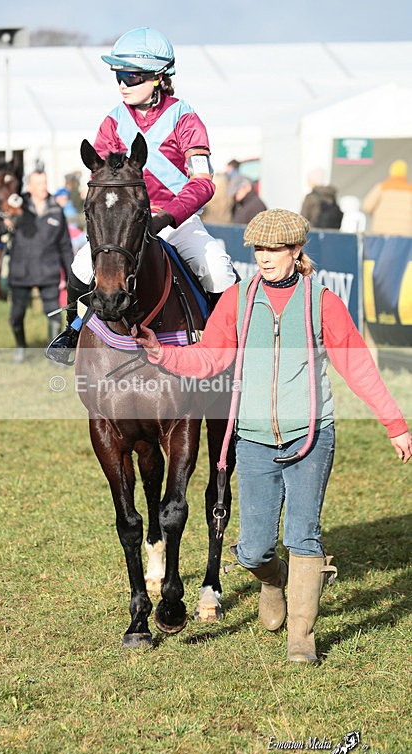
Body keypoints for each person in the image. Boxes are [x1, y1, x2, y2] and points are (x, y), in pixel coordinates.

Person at [133, 208, 411, 664]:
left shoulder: (322, 302)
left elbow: (358, 366)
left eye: (274, 249)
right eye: (258, 249)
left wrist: (394, 424)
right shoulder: (238, 300)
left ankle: (302, 637)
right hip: (254, 441)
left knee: (304, 536)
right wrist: (163, 354)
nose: (264, 257)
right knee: (253, 550)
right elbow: (209, 358)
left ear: (296, 250)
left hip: (310, 438)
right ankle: (273, 578)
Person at [48, 26, 238, 364]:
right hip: (124, 224)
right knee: (79, 268)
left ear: (159, 77)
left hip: (176, 221)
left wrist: (167, 217)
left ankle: (226, 348)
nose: (123, 84)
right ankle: (73, 331)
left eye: (132, 76)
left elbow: (203, 182)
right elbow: (100, 179)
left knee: (218, 269)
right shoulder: (113, 121)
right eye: (118, 75)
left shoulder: (185, 118)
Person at [8, 169, 74, 363]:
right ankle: (20, 347)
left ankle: (54, 353)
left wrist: (70, 276)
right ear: (29, 187)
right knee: (16, 315)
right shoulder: (17, 206)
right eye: (38, 184)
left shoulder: (56, 209)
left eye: (44, 183)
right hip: (20, 270)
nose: (43, 187)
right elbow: (3, 224)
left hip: (48, 270)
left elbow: (65, 246)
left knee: (54, 314)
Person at [362, 159, 412, 236]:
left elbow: (367, 206)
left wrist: (375, 214)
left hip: (381, 231)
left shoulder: (382, 187)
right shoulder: (410, 189)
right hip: (404, 233)